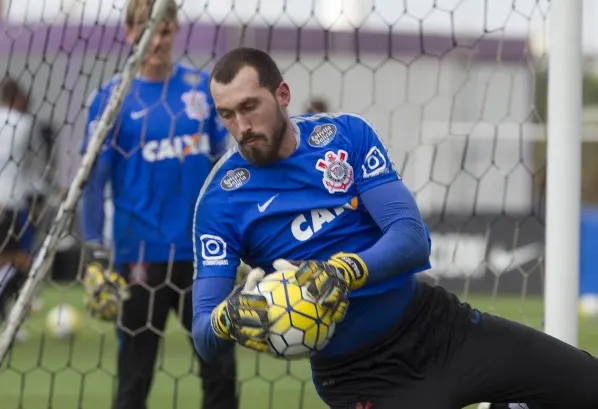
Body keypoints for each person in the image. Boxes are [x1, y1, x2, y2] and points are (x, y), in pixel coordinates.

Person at [191, 47, 598, 409]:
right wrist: (227, 318)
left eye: (249, 106)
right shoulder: (219, 201)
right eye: (227, 114)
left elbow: (411, 239)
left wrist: (341, 272)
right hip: (360, 379)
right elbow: (203, 336)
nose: (241, 126)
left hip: (438, 329)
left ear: (282, 95)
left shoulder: (345, 135)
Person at [79, 1, 237, 408]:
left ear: (176, 30)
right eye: (148, 30)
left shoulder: (201, 88)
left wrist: (239, 235)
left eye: (165, 31)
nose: (158, 41)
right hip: (139, 256)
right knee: (135, 377)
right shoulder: (111, 99)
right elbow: (93, 182)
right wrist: (95, 247)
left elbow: (224, 169)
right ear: (130, 33)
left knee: (220, 370)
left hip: (203, 257)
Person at [0, 77, 48, 342]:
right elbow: (37, 165)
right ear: (19, 100)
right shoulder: (25, 123)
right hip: (9, 201)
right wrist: (49, 192)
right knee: (22, 260)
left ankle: (1, 313)